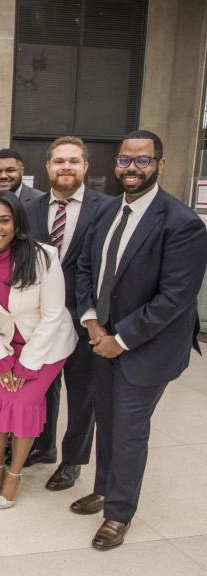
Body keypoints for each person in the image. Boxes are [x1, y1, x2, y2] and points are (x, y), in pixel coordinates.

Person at [74, 130, 207, 550]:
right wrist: (93, 323)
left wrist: (122, 339)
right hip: (101, 340)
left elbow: (175, 298)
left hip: (147, 350)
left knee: (129, 427)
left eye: (142, 161)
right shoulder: (106, 211)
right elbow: (85, 269)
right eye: (125, 161)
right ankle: (104, 488)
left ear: (159, 165)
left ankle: (119, 513)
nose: (132, 169)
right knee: (106, 419)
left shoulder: (183, 223)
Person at [0, 190, 76, 510]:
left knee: (23, 403)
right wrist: (0, 360)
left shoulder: (44, 256)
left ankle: (15, 473)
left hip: (46, 344)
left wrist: (26, 365)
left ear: (17, 223)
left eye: (4, 220)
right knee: (0, 401)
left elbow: (53, 315)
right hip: (4, 342)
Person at [23, 137, 113, 490]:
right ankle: (43, 447)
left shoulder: (106, 208)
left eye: (73, 161)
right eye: (59, 161)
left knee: (82, 393)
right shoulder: (30, 208)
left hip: (85, 318)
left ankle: (72, 460)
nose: (66, 167)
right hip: (42, 318)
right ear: (47, 167)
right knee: (45, 387)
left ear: (85, 167)